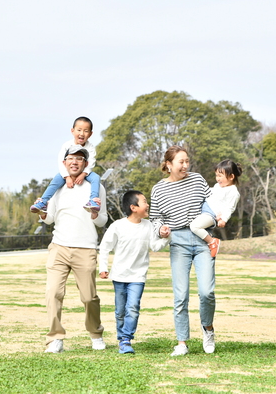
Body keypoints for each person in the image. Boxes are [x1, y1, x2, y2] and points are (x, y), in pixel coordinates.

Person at [38, 144, 108, 354]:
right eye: (71, 158)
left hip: (85, 248)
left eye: (79, 159)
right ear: (64, 162)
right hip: (59, 247)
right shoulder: (57, 186)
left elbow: (102, 220)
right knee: (53, 293)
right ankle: (55, 338)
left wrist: (95, 215)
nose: (74, 162)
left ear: (85, 164)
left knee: (89, 297)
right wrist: (42, 215)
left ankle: (95, 333)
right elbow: (49, 218)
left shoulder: (96, 187)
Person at [149, 145, 216, 356]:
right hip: (177, 240)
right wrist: (161, 228)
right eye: (181, 162)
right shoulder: (158, 189)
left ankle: (208, 329)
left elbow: (212, 203)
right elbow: (155, 218)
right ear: (168, 165)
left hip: (202, 238)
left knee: (207, 292)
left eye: (187, 161)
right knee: (181, 295)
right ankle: (182, 342)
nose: (185, 165)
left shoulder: (197, 180)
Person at [98, 190, 171, 354]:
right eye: (144, 201)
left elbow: (155, 246)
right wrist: (103, 268)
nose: (148, 205)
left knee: (132, 307)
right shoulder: (117, 226)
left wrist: (166, 237)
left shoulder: (149, 226)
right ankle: (121, 336)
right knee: (120, 311)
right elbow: (105, 247)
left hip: (138, 276)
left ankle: (126, 339)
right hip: (119, 276)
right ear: (133, 207)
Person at [31, 117, 102, 214]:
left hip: (84, 172)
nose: (82, 133)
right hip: (67, 172)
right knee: (55, 181)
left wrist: (83, 174)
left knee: (96, 177)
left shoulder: (90, 147)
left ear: (90, 134)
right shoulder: (66, 145)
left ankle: (93, 200)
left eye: (86, 131)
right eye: (79, 130)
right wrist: (67, 177)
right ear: (72, 131)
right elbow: (61, 162)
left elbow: (91, 162)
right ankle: (43, 202)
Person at [189, 160, 243, 258]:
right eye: (216, 175)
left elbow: (230, 208)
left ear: (231, 177)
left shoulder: (233, 192)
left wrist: (223, 219)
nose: (217, 179)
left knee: (194, 226)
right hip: (203, 207)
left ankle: (212, 242)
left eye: (220, 176)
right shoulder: (218, 186)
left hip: (211, 214)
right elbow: (211, 192)